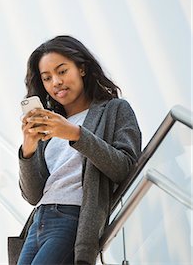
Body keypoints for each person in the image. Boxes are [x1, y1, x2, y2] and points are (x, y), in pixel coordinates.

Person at [17, 35, 141, 265]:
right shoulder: (52, 123)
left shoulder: (114, 109)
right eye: (47, 77)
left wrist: (75, 134)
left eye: (62, 71)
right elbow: (32, 194)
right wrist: (29, 148)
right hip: (39, 221)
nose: (55, 82)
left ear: (82, 69)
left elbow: (125, 167)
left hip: (73, 216)